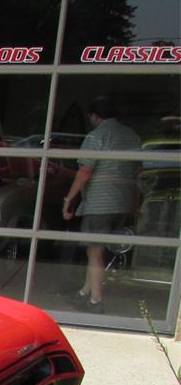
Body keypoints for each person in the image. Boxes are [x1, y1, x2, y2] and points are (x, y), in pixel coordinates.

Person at [61, 96, 140, 313]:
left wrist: (69, 199)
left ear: (95, 116)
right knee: (97, 250)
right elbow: (137, 172)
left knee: (94, 252)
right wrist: (134, 205)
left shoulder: (97, 135)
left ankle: (96, 300)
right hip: (122, 202)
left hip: (100, 203)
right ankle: (84, 292)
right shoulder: (132, 136)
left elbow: (85, 170)